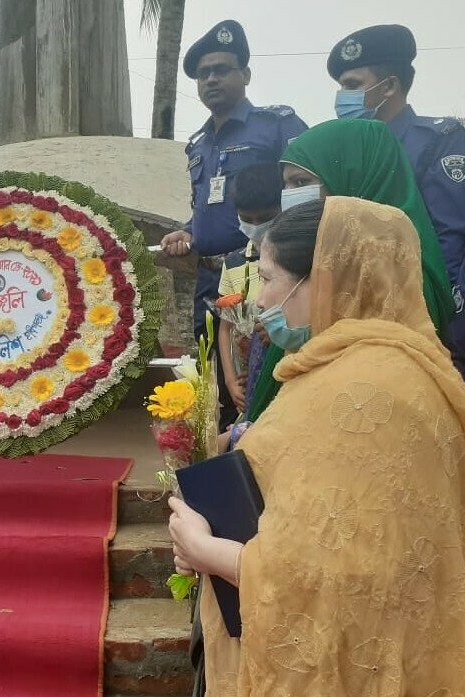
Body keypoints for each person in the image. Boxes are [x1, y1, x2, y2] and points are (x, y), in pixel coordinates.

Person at [168, 196, 465, 696]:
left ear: (323, 279)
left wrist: (209, 551)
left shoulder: (362, 394)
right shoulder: (381, 368)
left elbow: (341, 577)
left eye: (268, 279)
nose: (259, 301)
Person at [247, 119, 457, 422]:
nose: (289, 195)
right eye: (286, 184)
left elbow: (371, 374)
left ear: (351, 178)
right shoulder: (329, 257)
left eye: (301, 183)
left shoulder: (405, 277)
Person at [159, 19, 306, 430]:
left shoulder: (275, 125)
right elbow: (207, 205)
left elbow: (307, 189)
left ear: (245, 74)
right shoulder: (198, 144)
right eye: (203, 73)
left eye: (221, 69)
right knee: (218, 389)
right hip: (213, 282)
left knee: (268, 384)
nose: (210, 79)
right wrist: (189, 229)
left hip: (268, 277)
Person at [328, 23, 465, 374]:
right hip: (362, 325)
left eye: (352, 85)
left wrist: (439, 321)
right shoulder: (347, 152)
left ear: (388, 86)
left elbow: (449, 241)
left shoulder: (438, 141)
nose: (342, 96)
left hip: (425, 324)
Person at [216, 162, 280, 414]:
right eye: (247, 219)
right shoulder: (234, 263)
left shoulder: (297, 261)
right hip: (247, 376)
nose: (255, 226)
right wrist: (231, 381)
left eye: (265, 219)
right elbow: (225, 328)